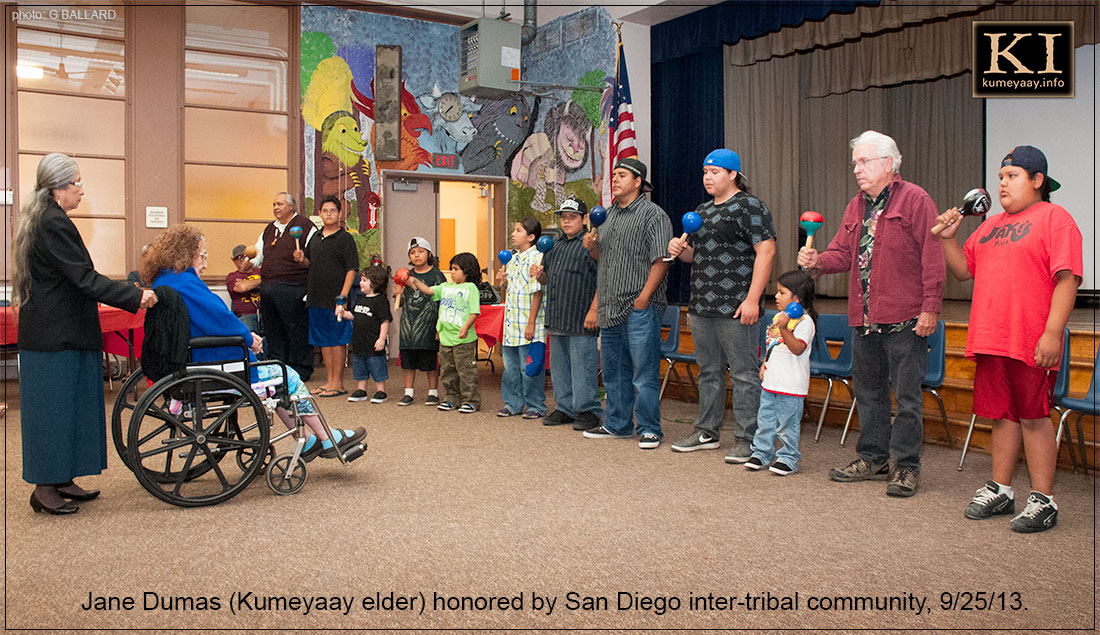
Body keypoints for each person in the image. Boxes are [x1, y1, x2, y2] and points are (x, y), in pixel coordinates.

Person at [936, 145, 1081, 533]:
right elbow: (964, 271)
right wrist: (948, 239)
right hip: (990, 337)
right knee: (1001, 416)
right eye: (1000, 177)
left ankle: (1043, 499)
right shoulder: (990, 224)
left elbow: (1068, 279)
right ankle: (1001, 489)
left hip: (1031, 339)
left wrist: (1053, 333)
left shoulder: (1055, 218)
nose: (1002, 184)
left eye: (1012, 176)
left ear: (1037, 181)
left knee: (1034, 417)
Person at [797, 130, 945, 497]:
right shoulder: (856, 206)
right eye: (855, 164)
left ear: (889, 164)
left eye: (864, 162)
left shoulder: (916, 200)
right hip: (863, 318)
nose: (857, 169)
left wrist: (930, 308)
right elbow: (842, 254)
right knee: (869, 392)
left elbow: (933, 258)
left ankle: (907, 466)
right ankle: (874, 458)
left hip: (906, 317)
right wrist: (817, 263)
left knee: (907, 396)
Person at [142, 225, 364, 461]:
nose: (205, 264)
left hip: (193, 358)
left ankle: (309, 440)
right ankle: (328, 438)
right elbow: (220, 319)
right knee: (287, 376)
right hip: (215, 362)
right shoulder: (187, 285)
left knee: (275, 384)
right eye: (203, 256)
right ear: (186, 254)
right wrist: (249, 339)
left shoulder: (165, 281)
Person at [13, 153, 157, 515]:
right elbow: (83, 278)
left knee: (72, 408)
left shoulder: (49, 217)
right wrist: (136, 296)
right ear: (58, 188)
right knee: (52, 412)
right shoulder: (52, 222)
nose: (82, 190)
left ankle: (63, 478)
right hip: (53, 336)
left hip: (64, 331)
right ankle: (45, 487)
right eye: (77, 183)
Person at [667, 149, 776, 461]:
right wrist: (680, 249)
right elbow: (695, 256)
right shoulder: (701, 210)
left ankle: (747, 438)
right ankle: (707, 431)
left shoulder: (750, 206)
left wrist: (753, 299)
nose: (707, 177)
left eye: (714, 172)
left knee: (744, 373)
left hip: (737, 306)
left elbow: (766, 252)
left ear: (732, 174)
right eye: (704, 172)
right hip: (702, 305)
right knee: (709, 372)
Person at [581, 157, 674, 450]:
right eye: (614, 175)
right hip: (610, 304)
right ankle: (618, 424)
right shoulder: (605, 216)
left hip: (639, 307)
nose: (615, 179)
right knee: (614, 371)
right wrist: (593, 247)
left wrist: (644, 298)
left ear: (638, 182)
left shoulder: (653, 215)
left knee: (643, 372)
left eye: (622, 175)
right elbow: (601, 260)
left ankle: (649, 428)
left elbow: (662, 259)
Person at [530, 196, 602, 431]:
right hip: (557, 315)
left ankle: (588, 410)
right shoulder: (555, 245)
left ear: (584, 219)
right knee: (560, 367)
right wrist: (539, 275)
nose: (567, 221)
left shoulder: (590, 244)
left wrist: (594, 310)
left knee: (583, 367)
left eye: (573, 217)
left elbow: (603, 275)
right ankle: (565, 408)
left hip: (581, 317)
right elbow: (547, 279)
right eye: (564, 217)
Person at [746, 270, 817, 475]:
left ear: (797, 298)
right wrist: (764, 364)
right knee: (765, 420)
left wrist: (785, 329)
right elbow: (772, 345)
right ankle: (762, 452)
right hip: (771, 381)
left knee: (788, 424)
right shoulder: (778, 317)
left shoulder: (805, 322)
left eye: (781, 292)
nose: (776, 296)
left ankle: (788, 457)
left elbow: (797, 348)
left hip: (791, 385)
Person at [405, 253, 482, 413]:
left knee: (466, 371)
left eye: (455, 269)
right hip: (445, 339)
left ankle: (470, 400)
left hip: (463, 339)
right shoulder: (446, 287)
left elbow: (475, 312)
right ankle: (451, 398)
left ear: (466, 271)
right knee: (448, 370)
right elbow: (427, 290)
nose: (452, 272)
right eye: (451, 269)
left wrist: (466, 326)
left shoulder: (470, 288)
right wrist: (415, 281)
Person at [251, 192, 317, 380]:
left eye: (279, 204)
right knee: (273, 329)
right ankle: (280, 365)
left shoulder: (306, 227)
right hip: (269, 287)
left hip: (294, 288)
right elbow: (258, 254)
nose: (276, 208)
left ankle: (301, 369)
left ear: (291, 206)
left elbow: (313, 261)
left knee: (296, 330)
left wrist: (303, 260)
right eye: (274, 204)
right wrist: (251, 263)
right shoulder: (269, 229)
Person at [301, 195, 358, 397]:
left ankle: (338, 384)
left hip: (336, 299)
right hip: (316, 297)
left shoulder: (345, 239)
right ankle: (328, 382)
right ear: (320, 214)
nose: (329, 214)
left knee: (337, 340)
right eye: (325, 211)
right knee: (323, 340)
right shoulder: (315, 237)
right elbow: (309, 263)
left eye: (333, 211)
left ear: (340, 214)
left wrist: (342, 296)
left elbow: (352, 270)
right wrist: (301, 259)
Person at [495, 217, 547, 419]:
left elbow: (537, 292)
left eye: (518, 230)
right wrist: (503, 283)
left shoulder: (537, 259)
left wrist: (532, 322)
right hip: (511, 323)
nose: (513, 234)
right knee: (511, 368)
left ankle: (536, 405)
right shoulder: (513, 259)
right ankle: (513, 403)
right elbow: (509, 292)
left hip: (527, 322)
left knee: (530, 367)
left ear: (531, 237)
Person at [395, 237, 445, 406]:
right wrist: (397, 293)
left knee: (430, 359)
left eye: (420, 251)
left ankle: (433, 392)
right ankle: (408, 392)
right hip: (408, 324)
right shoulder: (407, 276)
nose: (416, 256)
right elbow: (400, 302)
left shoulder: (437, 275)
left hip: (429, 324)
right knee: (408, 359)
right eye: (412, 253)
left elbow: (443, 301)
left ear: (429, 253)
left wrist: (440, 326)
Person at [343, 266, 392, 404]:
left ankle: (380, 391)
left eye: (364, 280)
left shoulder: (381, 301)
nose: (360, 283)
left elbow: (385, 321)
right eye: (361, 280)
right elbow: (354, 315)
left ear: (375, 282)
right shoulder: (360, 299)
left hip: (374, 343)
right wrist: (343, 313)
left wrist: (382, 338)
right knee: (360, 367)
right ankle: (361, 390)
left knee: (377, 367)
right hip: (359, 342)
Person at [226, 244, 262, 332]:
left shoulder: (261, 271)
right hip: (245, 315)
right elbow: (242, 287)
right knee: (249, 334)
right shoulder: (232, 276)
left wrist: (248, 283)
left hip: (265, 313)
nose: (242, 260)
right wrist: (262, 281)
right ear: (233, 261)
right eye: (238, 258)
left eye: (244, 256)